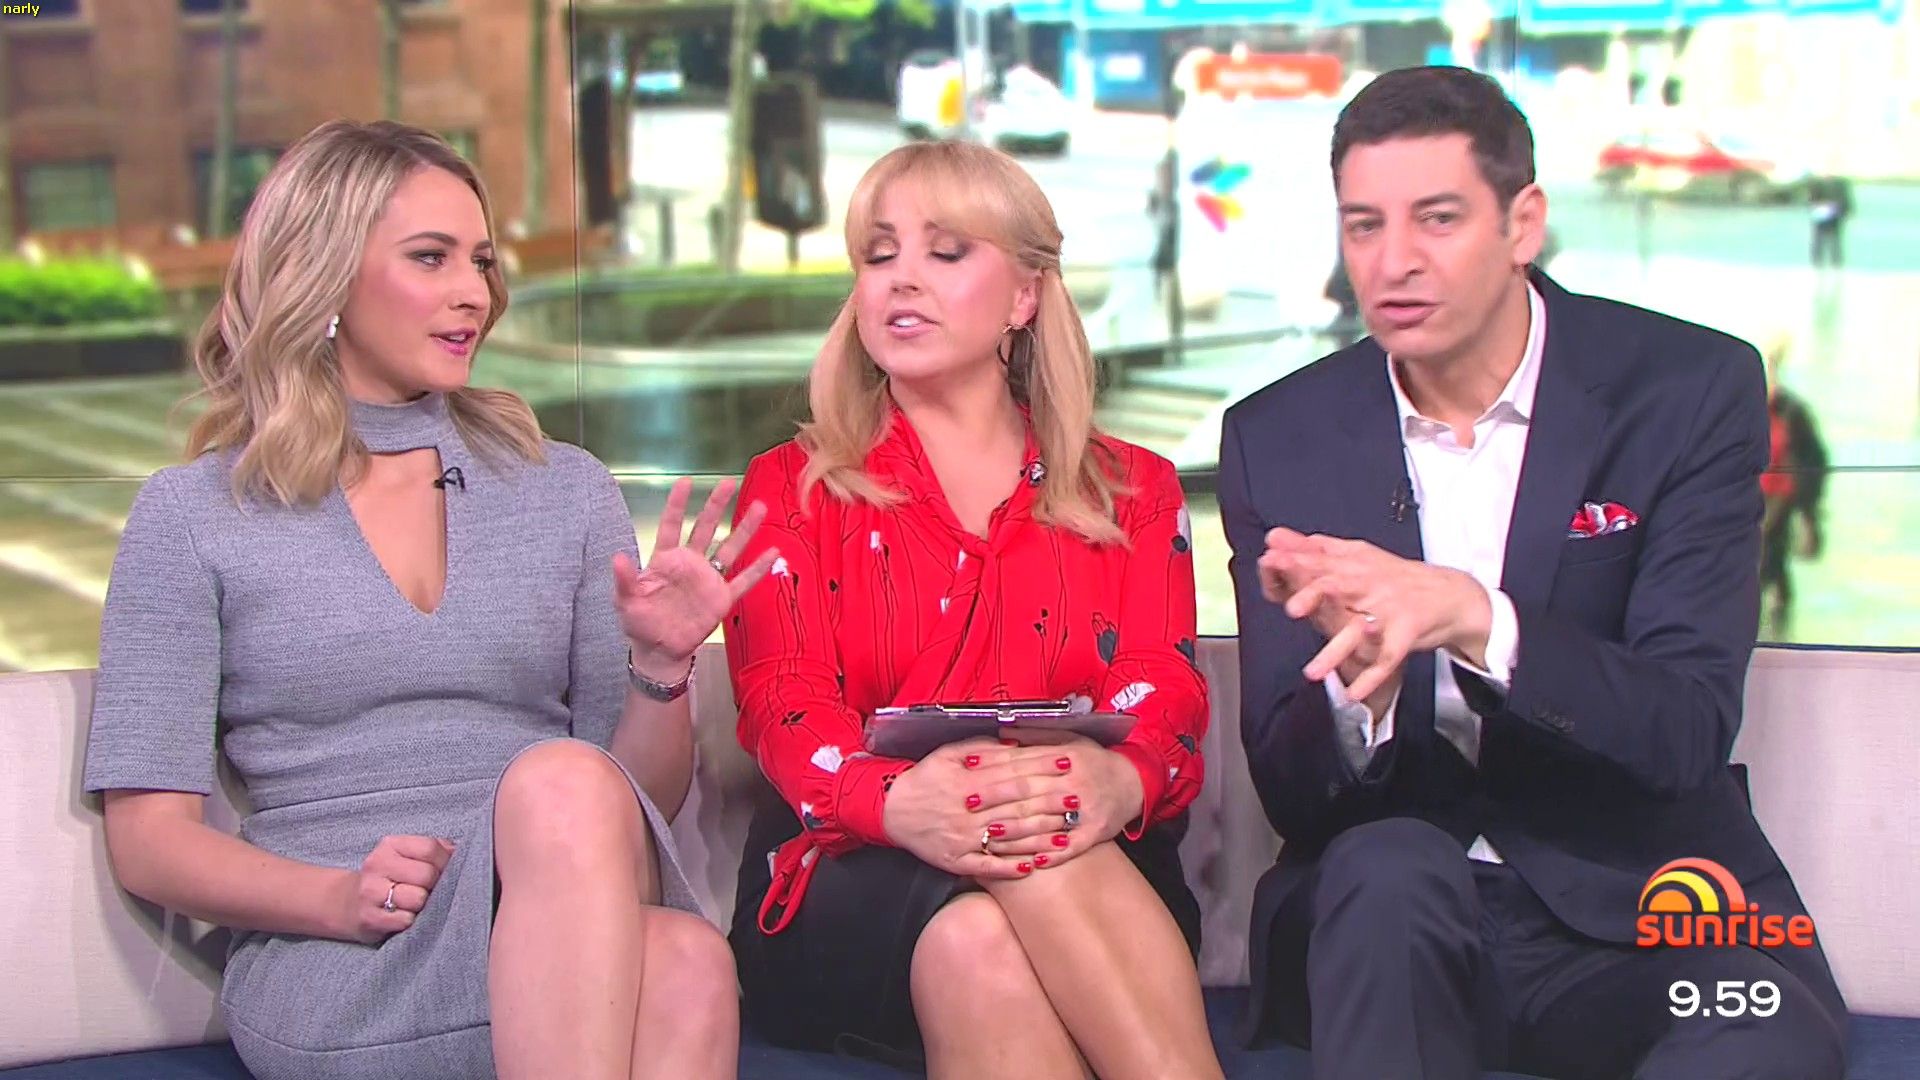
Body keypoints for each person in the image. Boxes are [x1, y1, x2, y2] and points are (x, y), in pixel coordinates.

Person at [81, 120, 776, 1080]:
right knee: (657, 929)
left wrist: (661, 668)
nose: (474, 293)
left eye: (482, 261)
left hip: (560, 919)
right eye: (431, 258)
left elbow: (631, 807)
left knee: (684, 950)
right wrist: (338, 898)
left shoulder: (564, 488)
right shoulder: (195, 514)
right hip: (347, 951)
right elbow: (150, 844)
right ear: (326, 274)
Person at [1219, 67, 1847, 1079]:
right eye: (1364, 226)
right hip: (1395, 918)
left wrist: (1479, 621)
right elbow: (1292, 798)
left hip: (1645, 903)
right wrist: (1355, 693)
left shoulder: (1685, 390)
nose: (1394, 261)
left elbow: (1685, 729)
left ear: (1523, 224)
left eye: (1437, 219)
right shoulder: (1279, 435)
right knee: (1385, 868)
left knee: (1762, 1024)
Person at [722, 140, 1223, 1080]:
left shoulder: (1134, 489)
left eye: (945, 252)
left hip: (1086, 861)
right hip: (849, 871)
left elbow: (1163, 687)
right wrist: (894, 800)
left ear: (1025, 296)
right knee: (1005, 866)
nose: (901, 280)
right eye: (879, 256)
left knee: (992, 912)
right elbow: (784, 704)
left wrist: (1120, 781)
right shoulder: (790, 488)